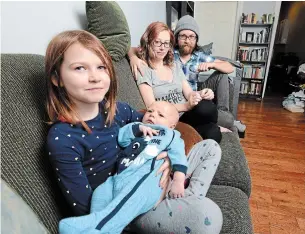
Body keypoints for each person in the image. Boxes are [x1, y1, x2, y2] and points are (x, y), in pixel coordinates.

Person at [46, 29, 223, 234]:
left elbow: (161, 131)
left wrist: (169, 165)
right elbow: (86, 209)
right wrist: (149, 195)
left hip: (155, 173)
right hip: (127, 205)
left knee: (210, 147)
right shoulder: (62, 139)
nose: (95, 77)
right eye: (79, 68)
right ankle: (182, 200)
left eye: (101, 66)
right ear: (57, 77)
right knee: (208, 215)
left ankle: (183, 193)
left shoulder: (119, 110)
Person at [59, 101, 188, 234]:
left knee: (126, 202)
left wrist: (178, 180)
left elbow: (179, 157)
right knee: (100, 193)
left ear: (172, 126)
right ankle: (94, 221)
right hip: (120, 176)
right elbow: (122, 139)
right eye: (150, 111)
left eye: (160, 115)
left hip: (145, 181)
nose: (152, 115)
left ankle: (100, 227)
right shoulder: (138, 128)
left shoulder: (170, 135)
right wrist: (138, 128)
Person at [129, 15, 235, 130]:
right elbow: (134, 48)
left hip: (192, 95)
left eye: (191, 37)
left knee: (220, 79)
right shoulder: (170, 54)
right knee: (219, 120)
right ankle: (222, 121)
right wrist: (133, 57)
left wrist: (212, 65)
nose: (187, 40)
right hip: (185, 105)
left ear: (196, 39)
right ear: (177, 38)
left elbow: (230, 67)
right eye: (183, 36)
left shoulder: (198, 56)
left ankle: (222, 113)